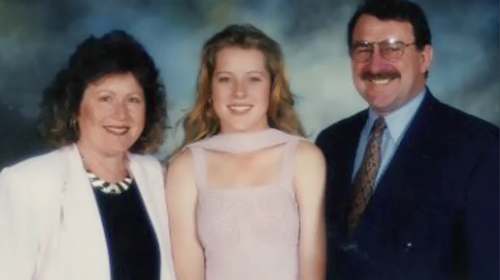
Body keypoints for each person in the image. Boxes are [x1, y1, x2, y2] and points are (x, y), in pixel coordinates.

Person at [315, 0, 499, 279]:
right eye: (363, 48)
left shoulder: (479, 147)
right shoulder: (331, 142)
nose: (375, 64)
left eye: (392, 48)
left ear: (425, 58)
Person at [0, 30, 176, 280]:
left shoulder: (161, 177)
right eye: (105, 98)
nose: (121, 114)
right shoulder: (27, 183)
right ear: (74, 108)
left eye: (133, 100)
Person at [165, 24, 326, 280]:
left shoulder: (304, 157)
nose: (239, 92)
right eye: (225, 79)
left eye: (253, 79)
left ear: (272, 87)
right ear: (210, 89)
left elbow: (312, 262)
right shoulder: (185, 166)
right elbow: (188, 271)